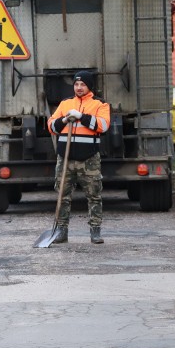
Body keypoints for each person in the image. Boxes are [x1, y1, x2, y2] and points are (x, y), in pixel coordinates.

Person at [47, 71, 110, 244]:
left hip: (89, 158)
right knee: (62, 194)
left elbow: (103, 126)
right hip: (65, 158)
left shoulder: (100, 105)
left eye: (83, 84)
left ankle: (95, 232)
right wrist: (65, 120)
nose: (79, 87)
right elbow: (51, 126)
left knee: (94, 195)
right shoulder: (65, 104)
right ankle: (61, 231)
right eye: (76, 84)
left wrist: (82, 117)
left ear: (89, 86)